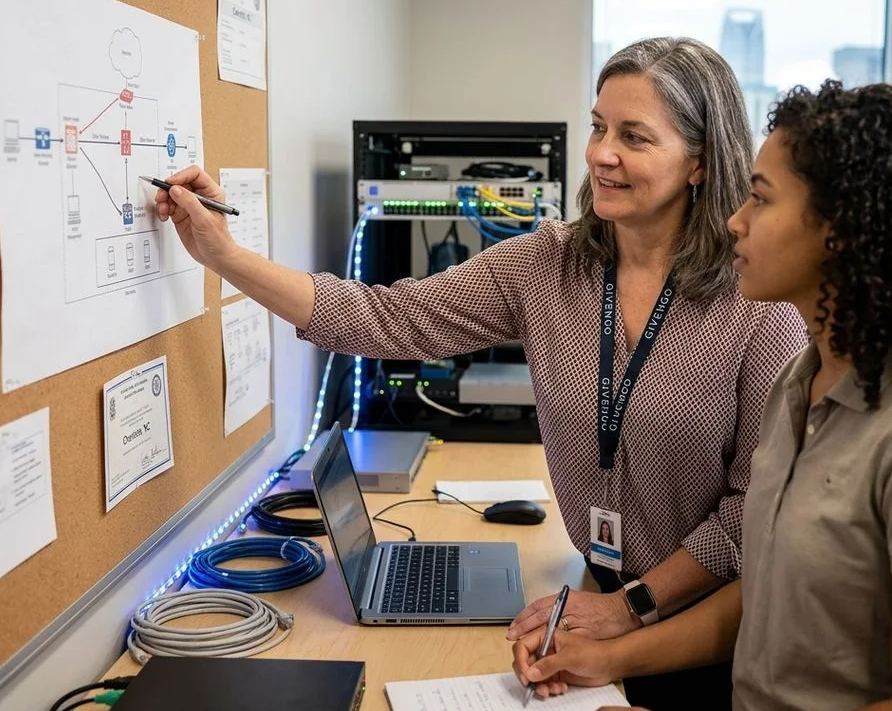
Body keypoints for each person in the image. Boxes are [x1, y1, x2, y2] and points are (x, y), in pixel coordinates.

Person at [154, 37, 808, 710]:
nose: (602, 153)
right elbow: (387, 318)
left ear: (698, 163)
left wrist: (635, 606)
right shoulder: (548, 265)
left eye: (634, 137)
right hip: (594, 591)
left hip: (710, 628)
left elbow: (750, 512)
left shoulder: (758, 302)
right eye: (598, 126)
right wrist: (225, 256)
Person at [511, 80, 892, 711]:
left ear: (844, 231)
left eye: (760, 199)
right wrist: (609, 659)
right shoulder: (804, 385)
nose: (735, 220)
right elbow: (763, 596)